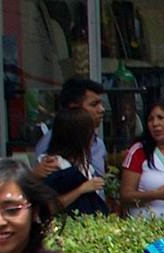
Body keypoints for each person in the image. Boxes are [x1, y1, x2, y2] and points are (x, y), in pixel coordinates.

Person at [33, 78, 110, 217]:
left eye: (101, 103)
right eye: (94, 104)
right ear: (73, 107)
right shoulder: (53, 152)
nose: (101, 110)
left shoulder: (99, 144)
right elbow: (46, 203)